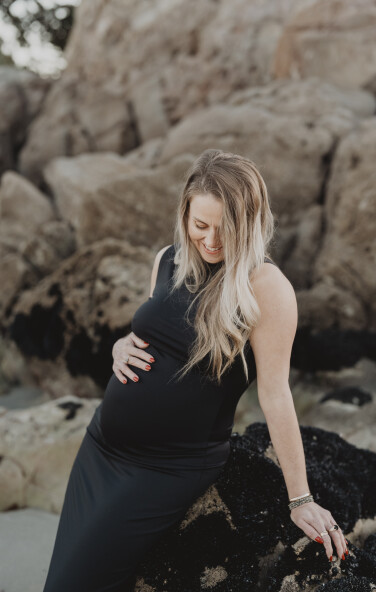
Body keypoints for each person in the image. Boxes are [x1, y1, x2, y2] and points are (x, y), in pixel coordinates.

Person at [43, 149, 348, 592]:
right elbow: (154, 332)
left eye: (225, 229)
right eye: (200, 224)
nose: (211, 240)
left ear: (250, 223)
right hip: (101, 447)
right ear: (185, 214)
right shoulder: (168, 259)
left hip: (167, 467)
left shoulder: (266, 288)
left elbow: (276, 393)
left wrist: (300, 499)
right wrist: (120, 346)